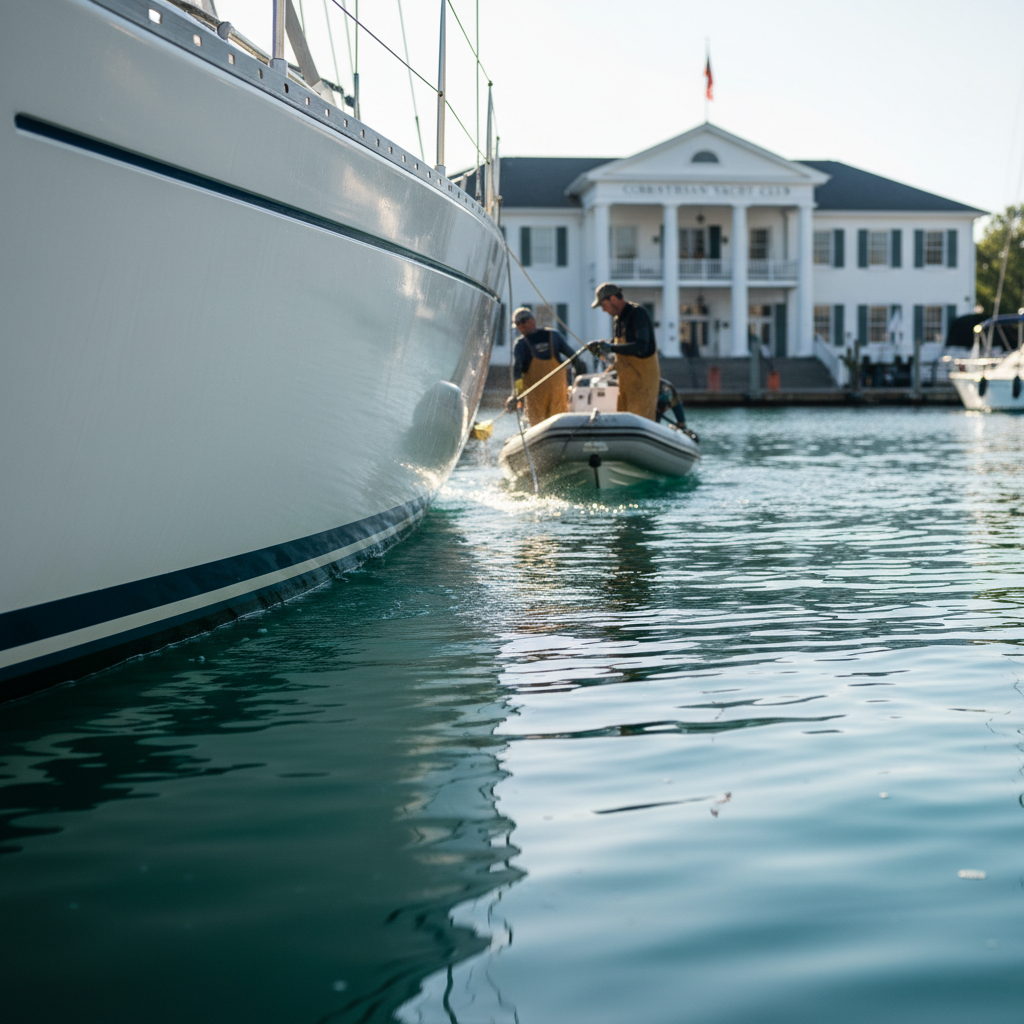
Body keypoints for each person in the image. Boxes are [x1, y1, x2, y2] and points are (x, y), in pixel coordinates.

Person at [588, 283, 660, 420]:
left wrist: (610, 347)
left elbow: (641, 347)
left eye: (603, 305)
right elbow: (620, 345)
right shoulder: (618, 319)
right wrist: (601, 348)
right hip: (626, 385)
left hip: (642, 385)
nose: (603, 310)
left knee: (638, 420)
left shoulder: (638, 313)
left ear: (613, 299)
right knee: (622, 418)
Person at [506, 307, 580, 424]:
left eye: (524, 321)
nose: (522, 326)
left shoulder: (553, 336)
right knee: (538, 423)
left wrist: (579, 383)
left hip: (558, 396)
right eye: (518, 324)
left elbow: (575, 359)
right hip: (536, 400)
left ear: (532, 319)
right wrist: (517, 395)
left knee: (558, 421)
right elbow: (517, 372)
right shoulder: (521, 345)